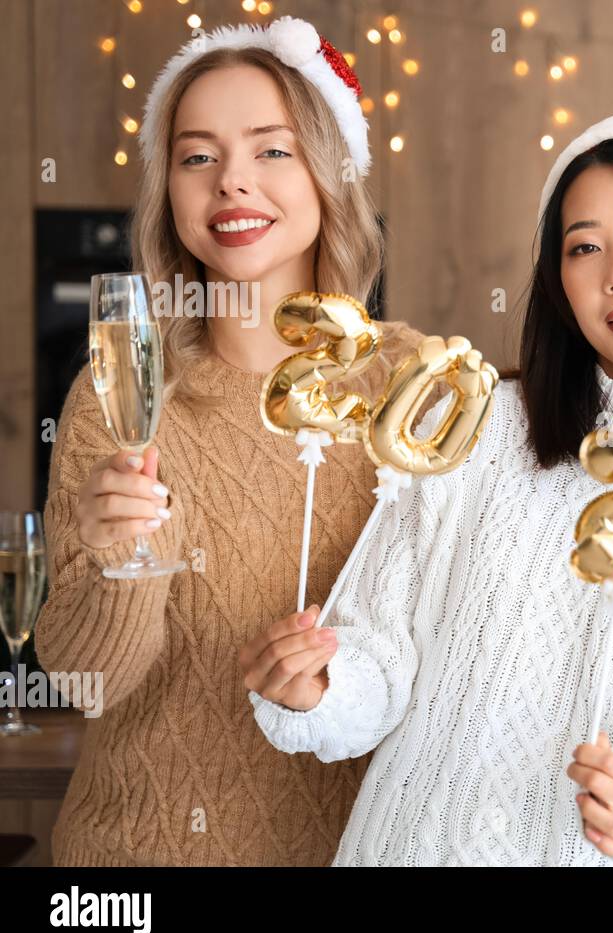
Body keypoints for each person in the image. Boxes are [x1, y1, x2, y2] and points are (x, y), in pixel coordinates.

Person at [241, 113, 613, 865]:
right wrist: (321, 685)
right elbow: (380, 647)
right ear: (559, 284)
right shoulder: (480, 424)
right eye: (584, 247)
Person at [35, 16, 421, 865]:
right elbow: (84, 681)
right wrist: (118, 561)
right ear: (169, 190)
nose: (232, 184)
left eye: (272, 151)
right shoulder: (119, 394)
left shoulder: (412, 384)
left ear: (330, 173)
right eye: (197, 156)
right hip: (136, 858)